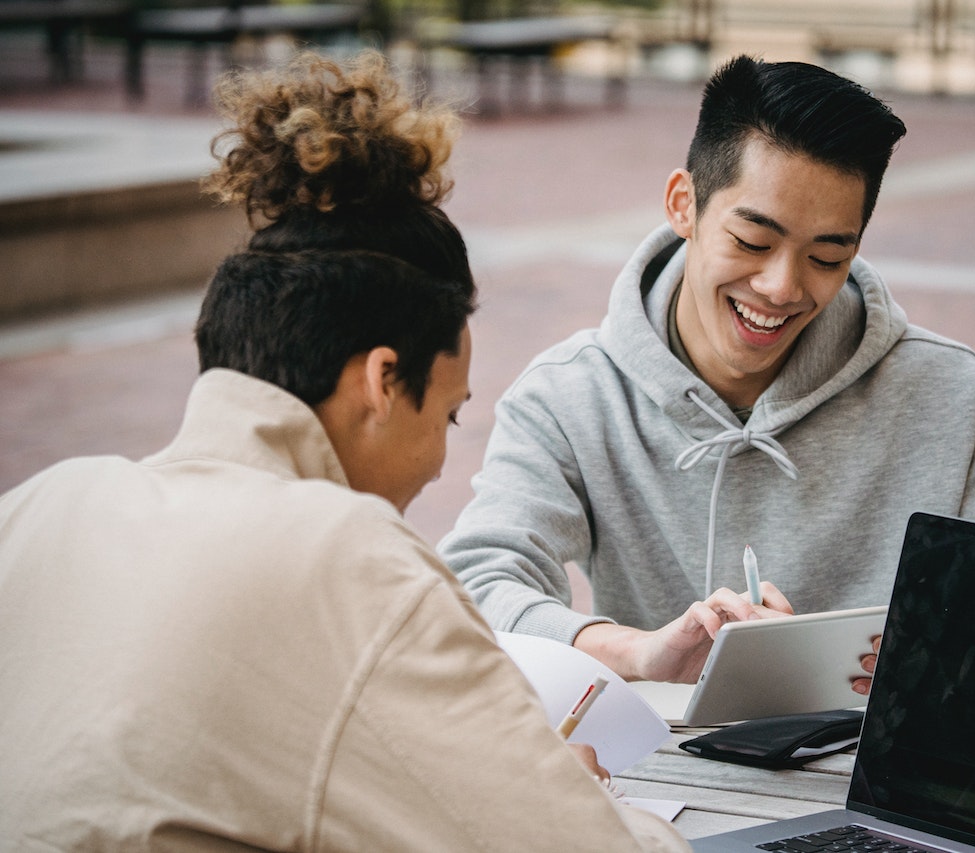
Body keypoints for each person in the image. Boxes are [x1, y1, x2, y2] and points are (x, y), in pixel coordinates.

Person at [0, 51, 688, 852]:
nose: (438, 462)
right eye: (452, 416)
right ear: (382, 380)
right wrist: (576, 794)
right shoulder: (351, 563)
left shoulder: (39, 507)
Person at [440, 55, 975, 688]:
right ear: (684, 205)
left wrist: (928, 659)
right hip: (655, 778)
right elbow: (473, 586)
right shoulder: (572, 394)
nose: (781, 287)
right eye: (753, 243)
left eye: (825, 256)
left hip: (873, 779)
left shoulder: (946, 392)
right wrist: (632, 652)